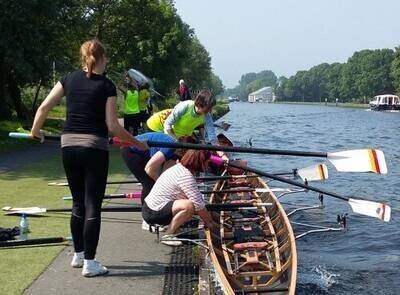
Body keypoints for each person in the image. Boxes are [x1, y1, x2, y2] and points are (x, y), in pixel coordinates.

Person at [31, 39, 148, 277]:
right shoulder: (107, 86)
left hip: (68, 146)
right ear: (102, 58)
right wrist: (138, 143)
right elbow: (113, 126)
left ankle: (79, 254)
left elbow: (43, 107)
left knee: (77, 202)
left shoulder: (68, 79)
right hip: (94, 147)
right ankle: (90, 263)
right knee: (92, 203)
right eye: (107, 58)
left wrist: (36, 132)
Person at [142, 150, 216, 246]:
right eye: (207, 162)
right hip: (153, 212)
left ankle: (174, 227)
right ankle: (168, 236)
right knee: (189, 206)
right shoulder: (185, 176)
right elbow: (199, 205)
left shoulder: (178, 168)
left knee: (190, 203)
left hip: (150, 207)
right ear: (200, 161)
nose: (207, 165)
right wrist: (209, 222)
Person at [121, 132, 179, 230]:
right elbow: (149, 169)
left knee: (154, 183)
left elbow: (166, 174)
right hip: (130, 150)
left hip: (141, 151)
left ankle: (155, 218)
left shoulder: (175, 152)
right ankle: (146, 221)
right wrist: (160, 184)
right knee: (148, 184)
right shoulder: (170, 148)